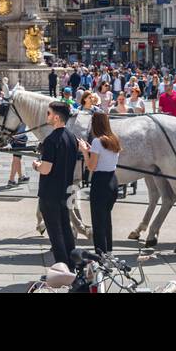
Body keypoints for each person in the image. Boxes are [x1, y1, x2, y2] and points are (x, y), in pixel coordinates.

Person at [33, 101, 79, 267]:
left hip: (50, 193)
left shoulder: (51, 140)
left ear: (57, 117)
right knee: (66, 229)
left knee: (55, 233)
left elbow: (46, 169)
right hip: (65, 190)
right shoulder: (72, 137)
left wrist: (36, 165)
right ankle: (73, 264)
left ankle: (62, 268)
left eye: (49, 113)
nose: (47, 116)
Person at [79, 109, 121, 255]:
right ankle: (108, 251)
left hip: (100, 182)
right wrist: (92, 151)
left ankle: (101, 254)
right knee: (106, 219)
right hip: (113, 180)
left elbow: (91, 166)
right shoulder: (114, 138)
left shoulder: (97, 141)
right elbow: (105, 157)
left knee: (97, 222)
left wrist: (85, 151)